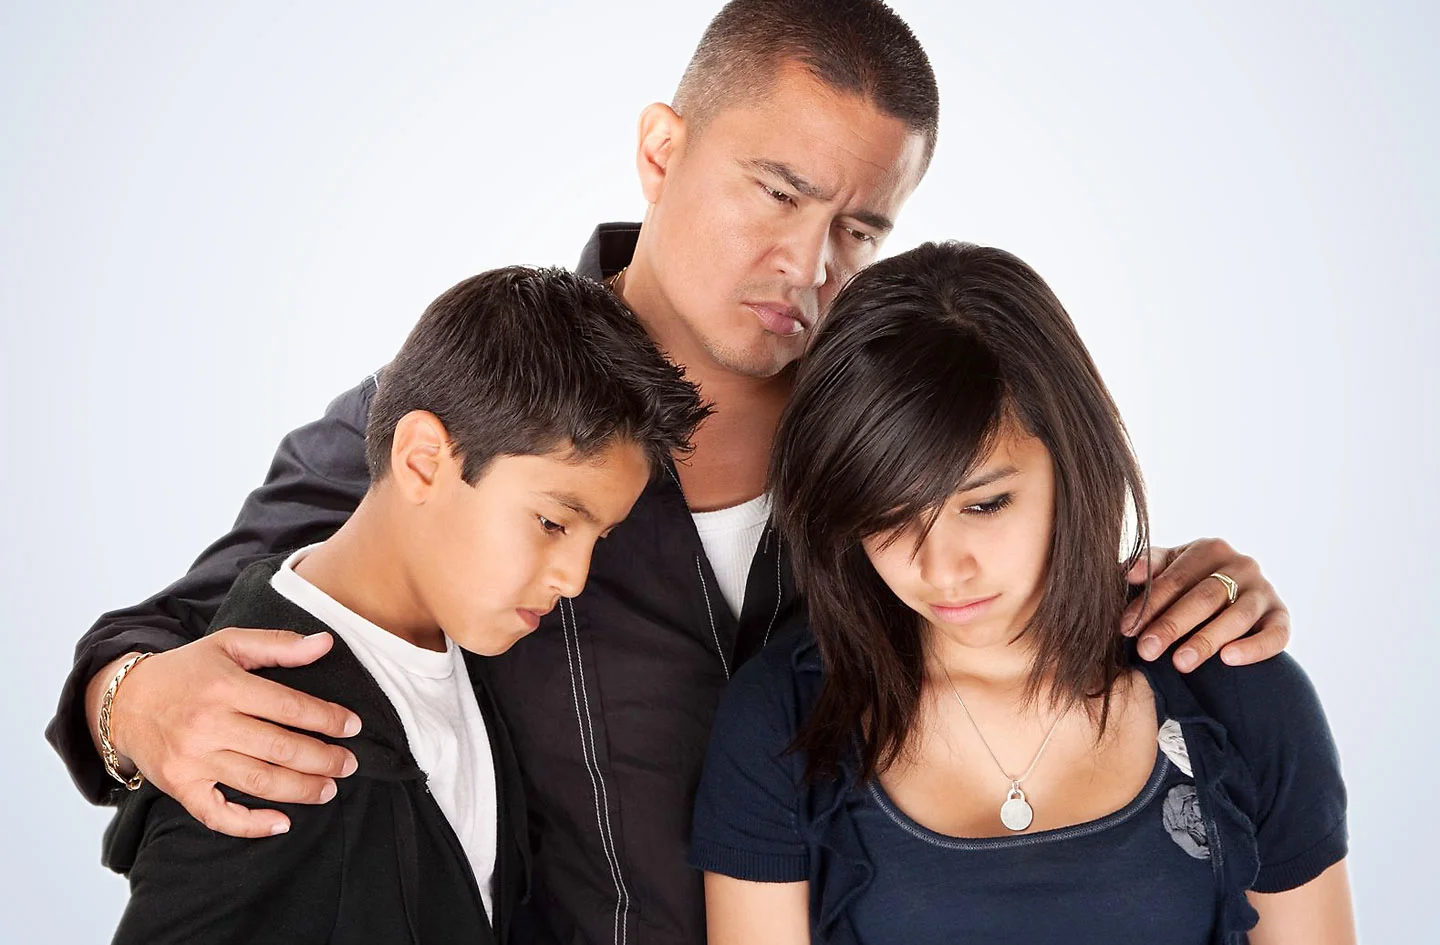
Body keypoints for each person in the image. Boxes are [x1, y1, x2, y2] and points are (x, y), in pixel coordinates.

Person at [49, 3, 1296, 943]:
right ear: (662, 148)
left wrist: (1184, 592)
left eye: (860, 229)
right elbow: (179, 629)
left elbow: (1033, 592)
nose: (811, 264)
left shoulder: (900, 451)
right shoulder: (460, 417)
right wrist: (132, 704)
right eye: (778, 191)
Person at [691, 241, 1353, 945]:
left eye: (984, 504)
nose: (943, 569)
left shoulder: (1240, 696)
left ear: (1072, 459)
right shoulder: (781, 722)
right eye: (886, 518)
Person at [102, 266, 707, 944]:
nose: (574, 578)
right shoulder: (262, 748)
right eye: (553, 522)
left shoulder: (466, 652)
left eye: (601, 536)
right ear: (422, 460)